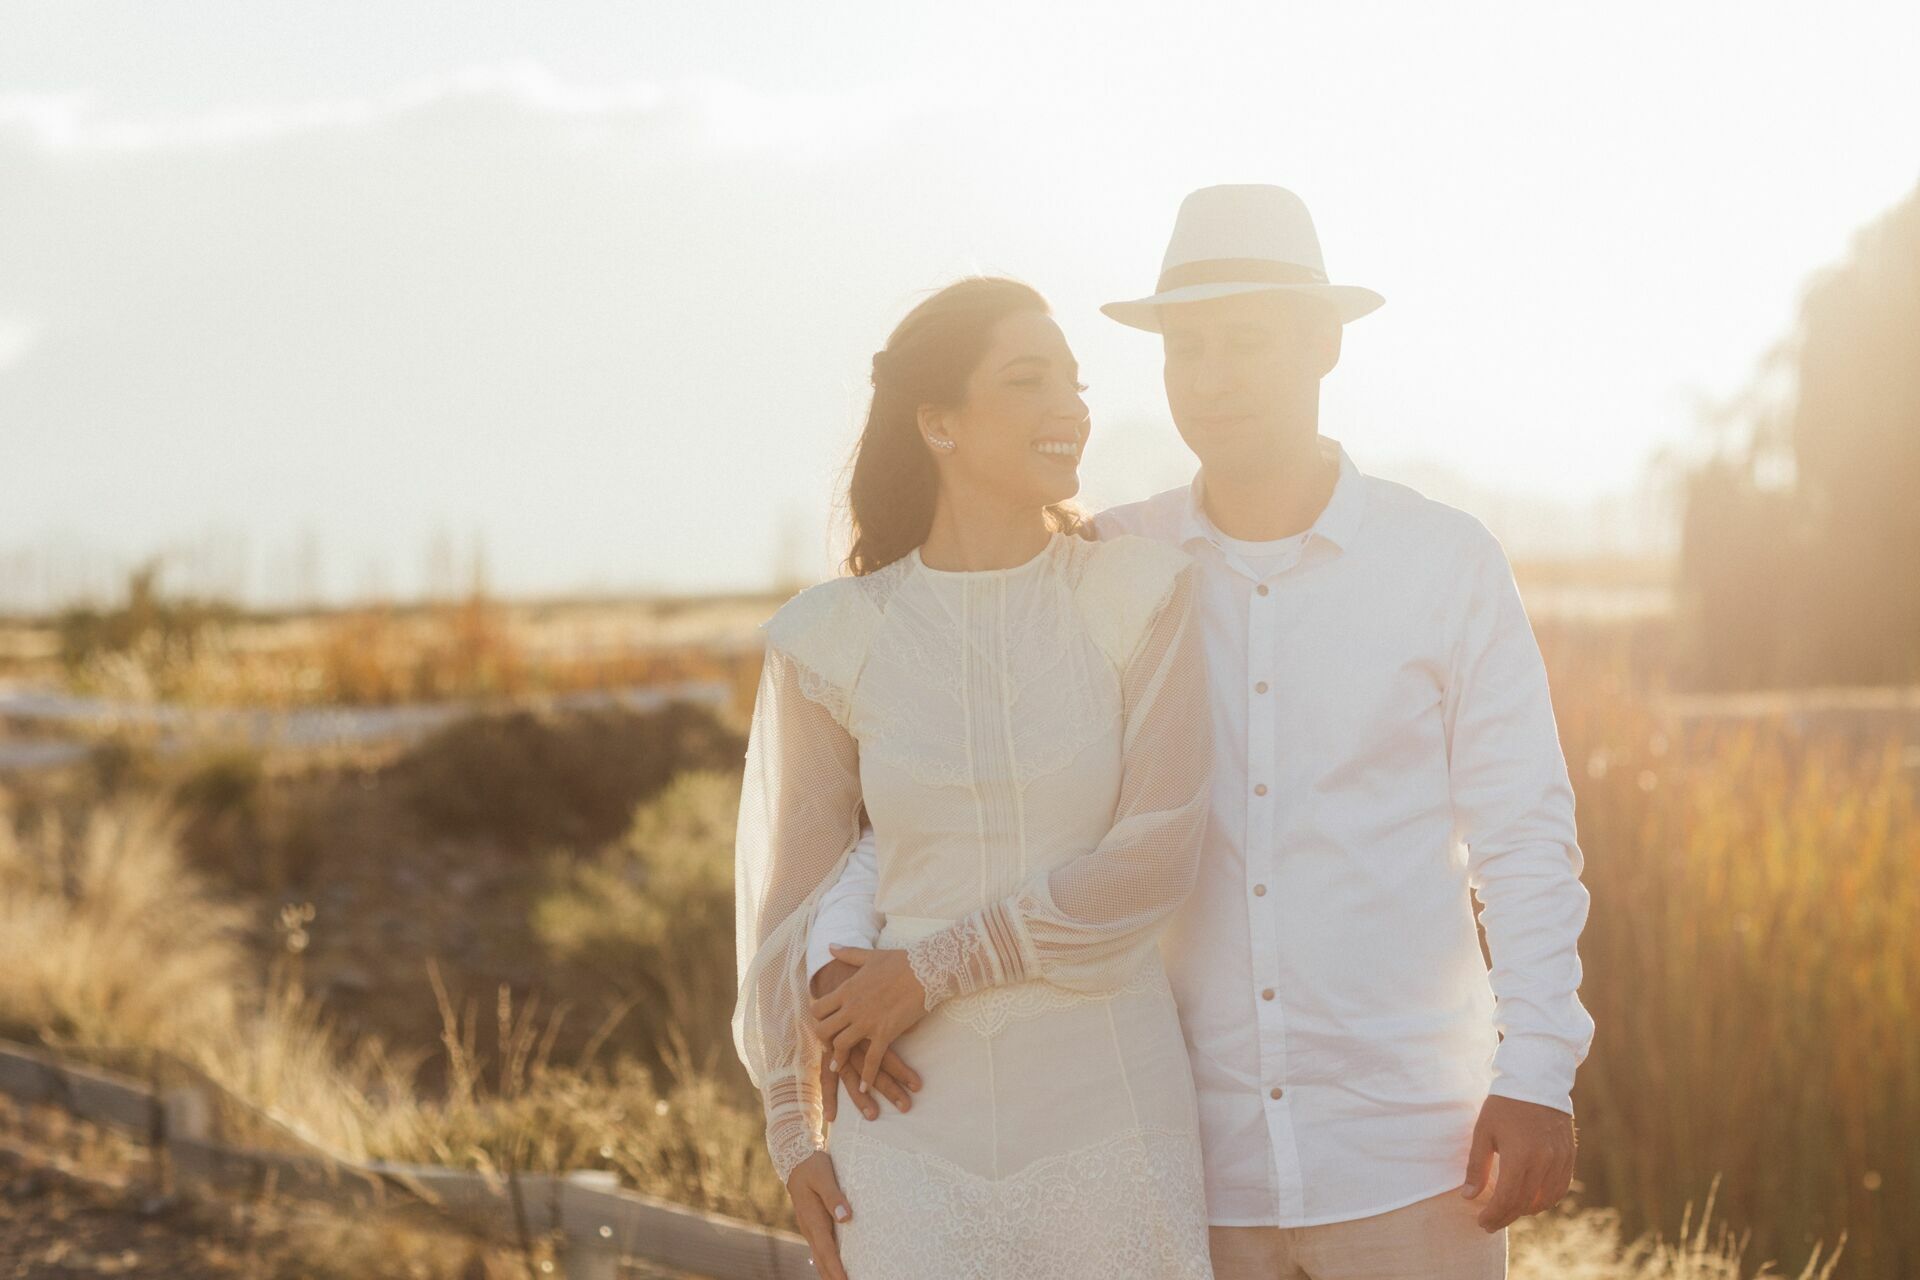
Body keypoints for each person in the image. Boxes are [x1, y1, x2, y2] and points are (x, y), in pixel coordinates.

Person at [808, 185, 1595, 1279]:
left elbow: (1525, 839)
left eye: (1245, 342)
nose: (1210, 378)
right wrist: (836, 955)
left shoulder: (1446, 563)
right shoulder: (1108, 571)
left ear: (1323, 345)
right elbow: (936, 781)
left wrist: (1539, 1070)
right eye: (1186, 348)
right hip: (1179, 1168)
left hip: (1414, 1156)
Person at [731, 276, 1217, 1279]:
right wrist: (796, 1131)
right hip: (903, 1132)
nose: (1072, 407)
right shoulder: (833, 639)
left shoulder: (1139, 593)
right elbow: (796, 900)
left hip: (1108, 1110)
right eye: (1030, 379)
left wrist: (930, 967)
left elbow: (1155, 858)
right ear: (938, 422)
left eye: (1076, 383)